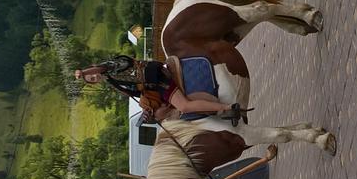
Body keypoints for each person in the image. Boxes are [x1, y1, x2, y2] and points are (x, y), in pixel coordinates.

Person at [75, 55, 240, 122]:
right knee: (163, 115)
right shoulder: (112, 80)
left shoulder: (110, 66)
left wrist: (83, 73)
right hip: (152, 89)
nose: (95, 77)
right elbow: (137, 92)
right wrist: (147, 108)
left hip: (157, 79)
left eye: (93, 75)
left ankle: (226, 108)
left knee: (184, 106)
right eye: (92, 79)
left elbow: (100, 69)